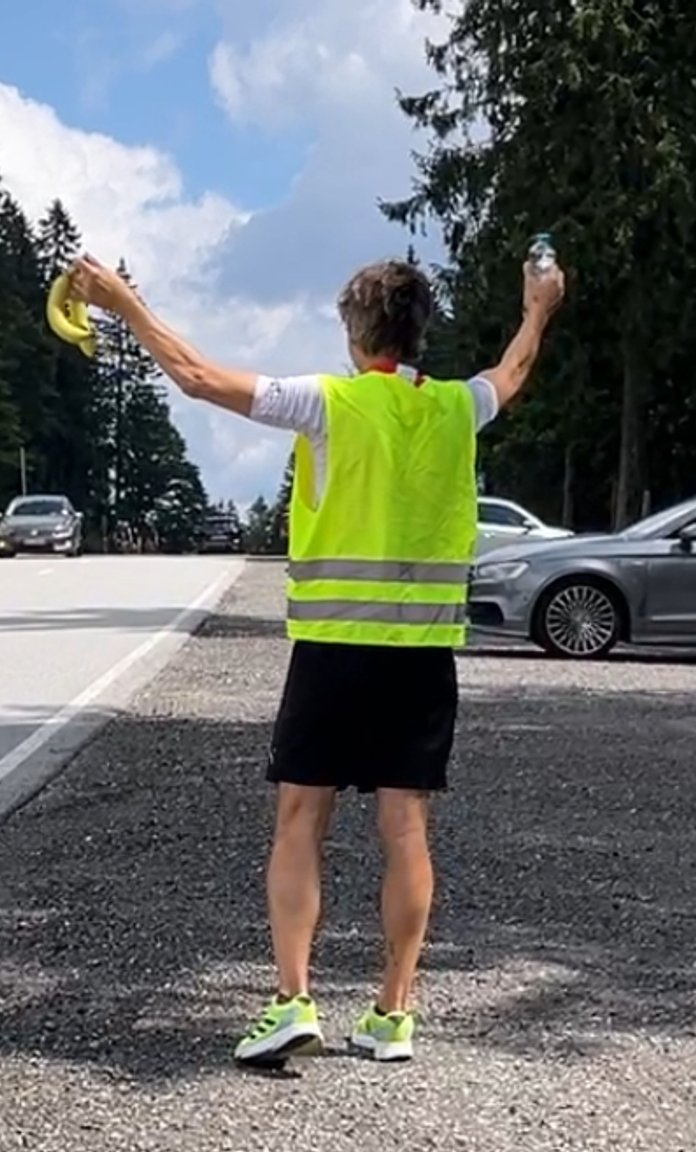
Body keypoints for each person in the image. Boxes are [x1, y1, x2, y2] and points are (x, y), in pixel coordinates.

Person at [60, 249, 565, 1067]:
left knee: (301, 821)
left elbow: (194, 376)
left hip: (332, 651)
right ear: (418, 332)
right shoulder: (455, 409)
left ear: (354, 331)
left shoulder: (327, 403)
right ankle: (392, 1014)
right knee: (405, 830)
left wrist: (125, 306)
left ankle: (294, 999)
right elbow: (513, 370)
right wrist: (539, 306)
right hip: (422, 654)